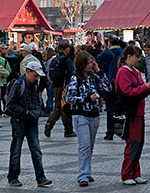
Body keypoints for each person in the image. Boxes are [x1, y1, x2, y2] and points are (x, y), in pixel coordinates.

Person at [64, 50, 111, 187]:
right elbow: (70, 98)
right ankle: (83, 175)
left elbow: (108, 88)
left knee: (90, 145)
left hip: (94, 116)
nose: (91, 65)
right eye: (89, 63)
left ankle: (87, 171)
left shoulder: (94, 77)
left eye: (92, 62)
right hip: (81, 116)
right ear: (82, 64)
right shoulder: (75, 79)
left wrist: (99, 71)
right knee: (84, 145)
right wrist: (87, 99)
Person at [116, 45, 150, 185]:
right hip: (130, 112)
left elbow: (140, 91)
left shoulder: (134, 71)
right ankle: (127, 174)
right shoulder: (123, 72)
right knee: (133, 143)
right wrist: (146, 87)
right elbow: (128, 91)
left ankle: (135, 173)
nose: (139, 60)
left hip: (138, 111)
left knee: (138, 143)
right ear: (129, 56)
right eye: (137, 57)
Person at [5, 60, 52, 188]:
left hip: (32, 122)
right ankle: (13, 177)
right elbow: (9, 105)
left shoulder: (35, 85)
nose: (37, 78)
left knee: (36, 150)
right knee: (16, 150)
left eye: (38, 76)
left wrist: (37, 111)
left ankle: (41, 177)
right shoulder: (18, 83)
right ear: (28, 72)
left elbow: (37, 102)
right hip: (19, 121)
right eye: (35, 75)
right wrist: (25, 113)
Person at [44, 40, 76, 138]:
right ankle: (68, 130)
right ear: (66, 49)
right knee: (65, 108)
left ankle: (49, 123)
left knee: (58, 108)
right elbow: (72, 73)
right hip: (64, 88)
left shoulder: (54, 59)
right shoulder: (66, 60)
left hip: (55, 87)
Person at [97, 37, 123, 141]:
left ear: (109, 43)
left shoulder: (106, 54)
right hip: (123, 83)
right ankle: (124, 128)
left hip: (109, 83)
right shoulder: (123, 52)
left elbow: (97, 60)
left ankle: (110, 132)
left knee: (110, 109)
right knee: (124, 107)